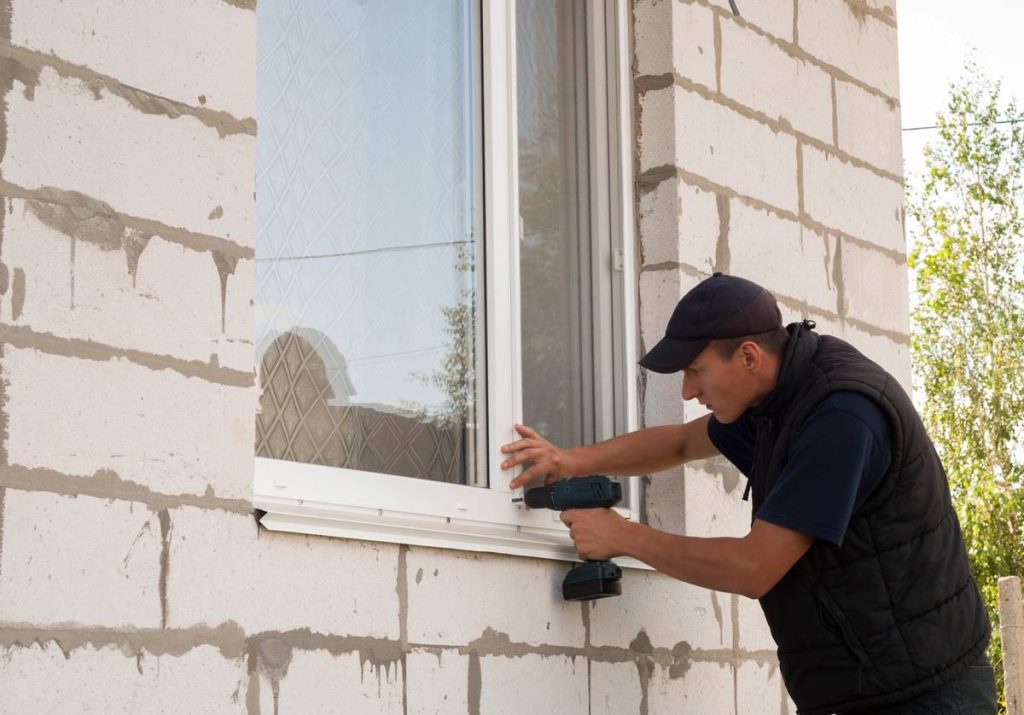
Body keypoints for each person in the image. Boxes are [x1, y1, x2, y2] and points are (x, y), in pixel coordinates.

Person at [500, 273, 995, 715]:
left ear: (749, 356)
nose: (688, 391)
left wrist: (622, 536)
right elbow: (679, 442)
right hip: (863, 688)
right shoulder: (775, 397)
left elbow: (754, 567)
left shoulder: (841, 417)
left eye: (695, 371)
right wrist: (568, 460)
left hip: (925, 694)